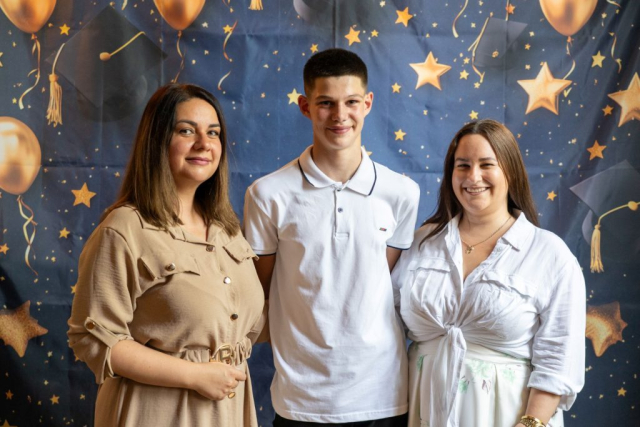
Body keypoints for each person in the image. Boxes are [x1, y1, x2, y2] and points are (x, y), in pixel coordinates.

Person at [67, 83, 266, 427]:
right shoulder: (124, 228)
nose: (204, 143)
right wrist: (194, 375)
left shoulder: (228, 230)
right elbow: (92, 337)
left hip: (227, 412)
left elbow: (246, 324)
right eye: (186, 131)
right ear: (158, 141)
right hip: (155, 412)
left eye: (213, 133)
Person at [243, 48, 420, 426]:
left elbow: (382, 278)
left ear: (367, 104)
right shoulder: (267, 194)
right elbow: (262, 289)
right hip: (300, 399)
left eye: (351, 102)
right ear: (305, 106)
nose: (340, 115)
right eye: (326, 103)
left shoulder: (402, 193)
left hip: (383, 395)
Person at [392, 119, 585, 427]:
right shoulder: (421, 243)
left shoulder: (549, 254)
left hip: (509, 416)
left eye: (486, 164)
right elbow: (384, 327)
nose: (473, 177)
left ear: (510, 171)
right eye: (463, 165)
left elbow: (559, 359)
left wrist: (530, 424)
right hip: (422, 410)